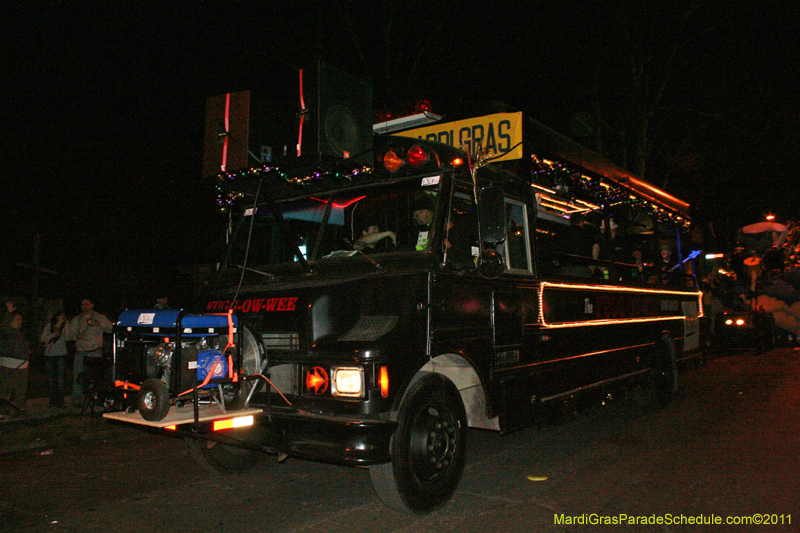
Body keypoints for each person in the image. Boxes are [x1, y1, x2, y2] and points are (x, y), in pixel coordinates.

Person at [65, 298, 113, 407]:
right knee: (78, 377)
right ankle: (76, 400)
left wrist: (98, 324)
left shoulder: (99, 317)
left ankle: (97, 399)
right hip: (81, 352)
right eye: (82, 304)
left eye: (87, 304)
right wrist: (76, 336)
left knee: (97, 378)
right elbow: (69, 335)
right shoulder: (76, 319)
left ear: (92, 304)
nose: (84, 306)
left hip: (95, 352)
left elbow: (110, 329)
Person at [0, 312, 31, 414]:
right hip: (9, 365)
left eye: (21, 319)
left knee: (21, 389)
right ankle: (4, 410)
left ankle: (20, 408)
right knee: (6, 389)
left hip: (22, 365)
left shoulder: (21, 334)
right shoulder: (7, 332)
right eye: (17, 319)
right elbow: (4, 326)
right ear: (11, 321)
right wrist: (8, 313)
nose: (20, 322)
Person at [40, 311, 69, 407]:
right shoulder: (49, 326)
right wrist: (53, 334)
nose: (62, 318)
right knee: (51, 379)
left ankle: (60, 401)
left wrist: (65, 327)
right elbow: (42, 339)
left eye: (63, 317)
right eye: (60, 316)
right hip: (49, 354)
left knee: (60, 378)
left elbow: (68, 338)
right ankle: (52, 400)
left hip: (61, 354)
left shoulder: (65, 326)